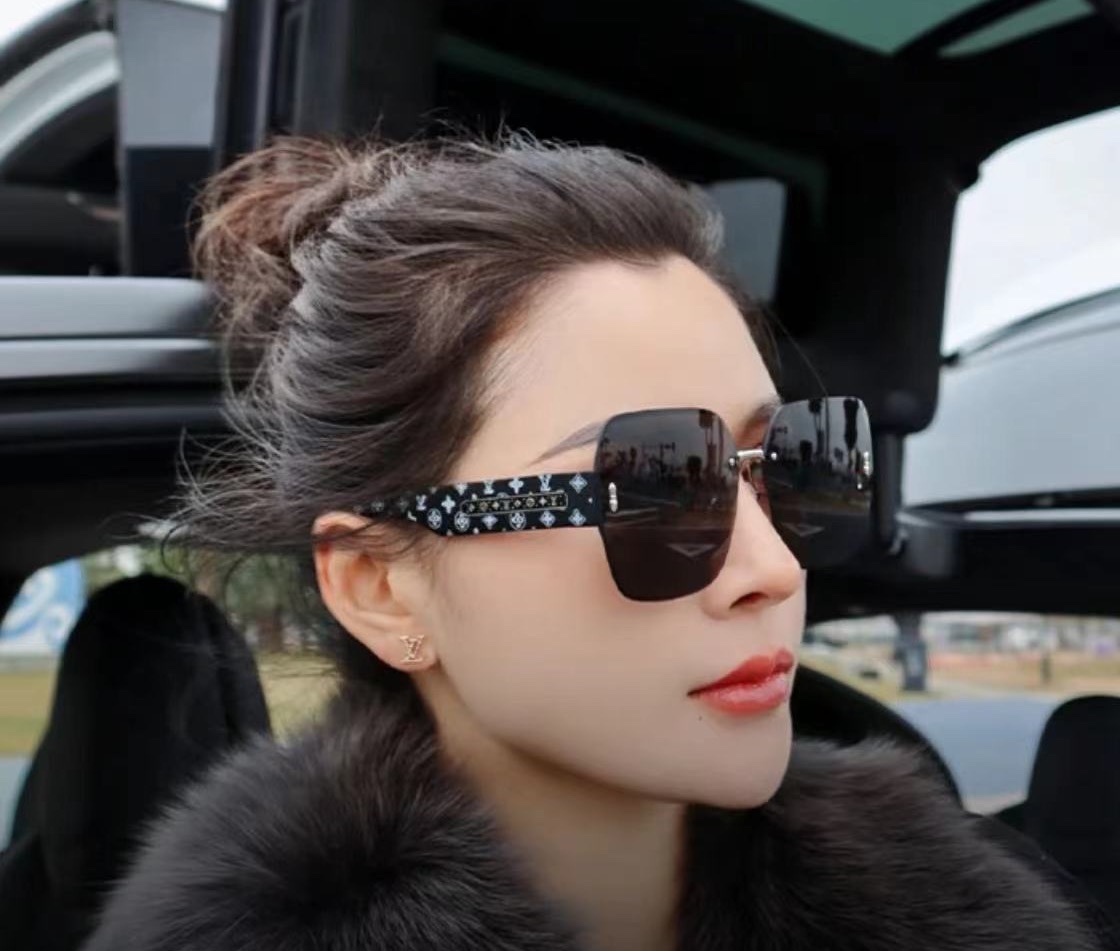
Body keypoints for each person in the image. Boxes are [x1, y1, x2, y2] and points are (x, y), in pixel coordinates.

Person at [81, 132, 1114, 951]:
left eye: (790, 465)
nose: (772, 567)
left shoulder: (944, 902)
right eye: (655, 484)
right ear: (380, 586)